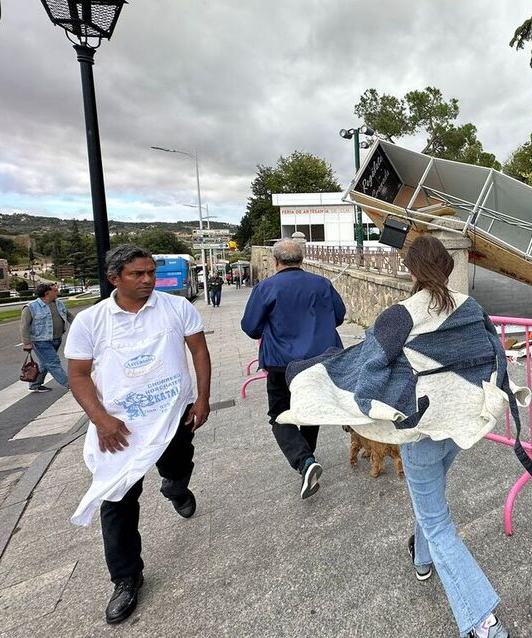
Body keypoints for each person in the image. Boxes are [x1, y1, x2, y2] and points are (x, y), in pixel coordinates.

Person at [277, 235, 532, 638]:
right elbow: (495, 354)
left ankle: (483, 623)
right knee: (431, 501)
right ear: (449, 268)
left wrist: (359, 401)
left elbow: (368, 367)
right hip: (462, 426)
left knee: (437, 522)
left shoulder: (401, 315)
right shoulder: (472, 307)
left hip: (421, 429)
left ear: (409, 269)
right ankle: (422, 560)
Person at [64, 245, 212, 625]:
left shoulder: (176, 308)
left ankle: (175, 487)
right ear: (115, 279)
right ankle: (126, 579)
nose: (148, 280)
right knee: (116, 501)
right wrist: (100, 419)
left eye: (150, 273)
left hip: (173, 415)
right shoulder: (91, 321)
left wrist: (202, 399)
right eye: (137, 274)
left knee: (179, 465)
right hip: (120, 428)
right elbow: (78, 375)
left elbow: (198, 351)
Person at [240, 238, 346, 499]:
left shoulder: (266, 288)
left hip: (281, 364)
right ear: (302, 259)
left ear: (276, 261)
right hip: (319, 361)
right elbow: (339, 316)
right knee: (310, 411)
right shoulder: (322, 284)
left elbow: (250, 326)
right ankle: (307, 459)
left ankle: (304, 462)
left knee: (279, 414)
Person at [20, 282, 73, 392]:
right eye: (54, 290)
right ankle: (72, 385)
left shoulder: (59, 304)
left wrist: (80, 327)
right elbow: (24, 326)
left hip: (56, 339)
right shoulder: (31, 307)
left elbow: (68, 316)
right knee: (53, 362)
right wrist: (26, 342)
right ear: (47, 293)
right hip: (40, 341)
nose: (57, 291)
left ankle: (35, 385)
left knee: (45, 363)